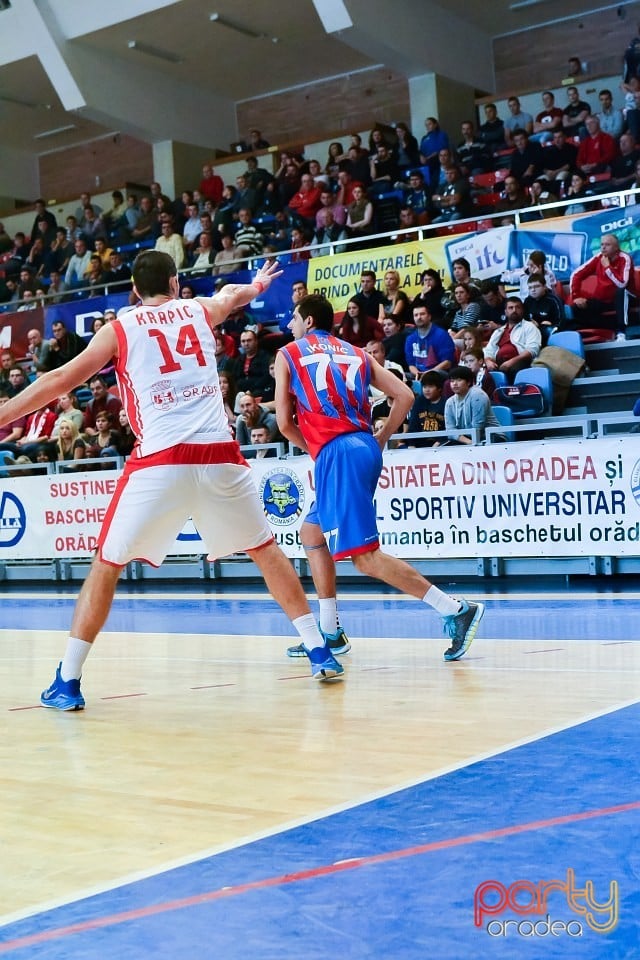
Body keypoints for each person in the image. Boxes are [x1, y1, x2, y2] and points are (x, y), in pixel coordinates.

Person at [0, 254, 342, 709]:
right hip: (221, 455)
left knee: (106, 565)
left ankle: (67, 680)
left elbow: (61, 378)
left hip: (161, 459)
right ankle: (319, 651)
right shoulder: (199, 308)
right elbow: (231, 296)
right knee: (265, 550)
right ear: (176, 282)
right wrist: (258, 286)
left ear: (136, 291)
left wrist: (4, 414)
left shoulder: (119, 328)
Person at [274, 294, 484, 664]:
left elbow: (283, 423)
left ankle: (454, 608)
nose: (290, 325)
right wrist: (380, 439)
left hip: (335, 450)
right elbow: (404, 395)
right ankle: (330, 630)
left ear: (307, 321)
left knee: (365, 558)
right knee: (311, 532)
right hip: (362, 445)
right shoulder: (357, 352)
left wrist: (316, 449)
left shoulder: (289, 352)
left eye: (293, 318)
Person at [568, 234, 634, 337]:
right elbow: (576, 275)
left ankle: (621, 331)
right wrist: (576, 296)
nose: (603, 247)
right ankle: (607, 328)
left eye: (607, 244)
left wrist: (607, 267)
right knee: (576, 308)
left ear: (616, 247)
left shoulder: (625, 258)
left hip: (625, 298)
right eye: (602, 244)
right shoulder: (598, 257)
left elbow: (622, 284)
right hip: (603, 300)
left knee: (621, 292)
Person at [484, 296, 542, 382]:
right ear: (506, 312)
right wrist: (488, 361)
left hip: (520, 361)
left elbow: (533, 349)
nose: (514, 310)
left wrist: (511, 362)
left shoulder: (529, 327)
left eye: (517, 307)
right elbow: (489, 350)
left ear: (522, 310)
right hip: (498, 363)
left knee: (516, 369)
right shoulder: (499, 331)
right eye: (511, 308)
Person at [443, 365, 504, 444]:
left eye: (459, 380)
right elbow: (450, 430)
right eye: (452, 381)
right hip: (467, 439)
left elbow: (477, 428)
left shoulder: (478, 395)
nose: (454, 384)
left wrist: (472, 444)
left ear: (468, 382)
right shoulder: (449, 402)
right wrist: (470, 443)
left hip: (491, 435)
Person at [405, 302, 456, 379]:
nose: (419, 317)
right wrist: (418, 374)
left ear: (429, 316)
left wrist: (428, 374)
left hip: (437, 373)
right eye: (416, 315)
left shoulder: (441, 335)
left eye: (422, 314)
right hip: (418, 374)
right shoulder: (410, 338)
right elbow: (411, 364)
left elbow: (447, 362)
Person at [405, 370, 447, 446]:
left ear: (439, 388)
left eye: (431, 386)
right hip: (420, 443)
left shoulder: (446, 403)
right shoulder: (419, 401)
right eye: (424, 387)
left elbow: (448, 427)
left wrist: (440, 442)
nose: (427, 390)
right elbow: (413, 425)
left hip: (441, 444)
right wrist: (411, 444)